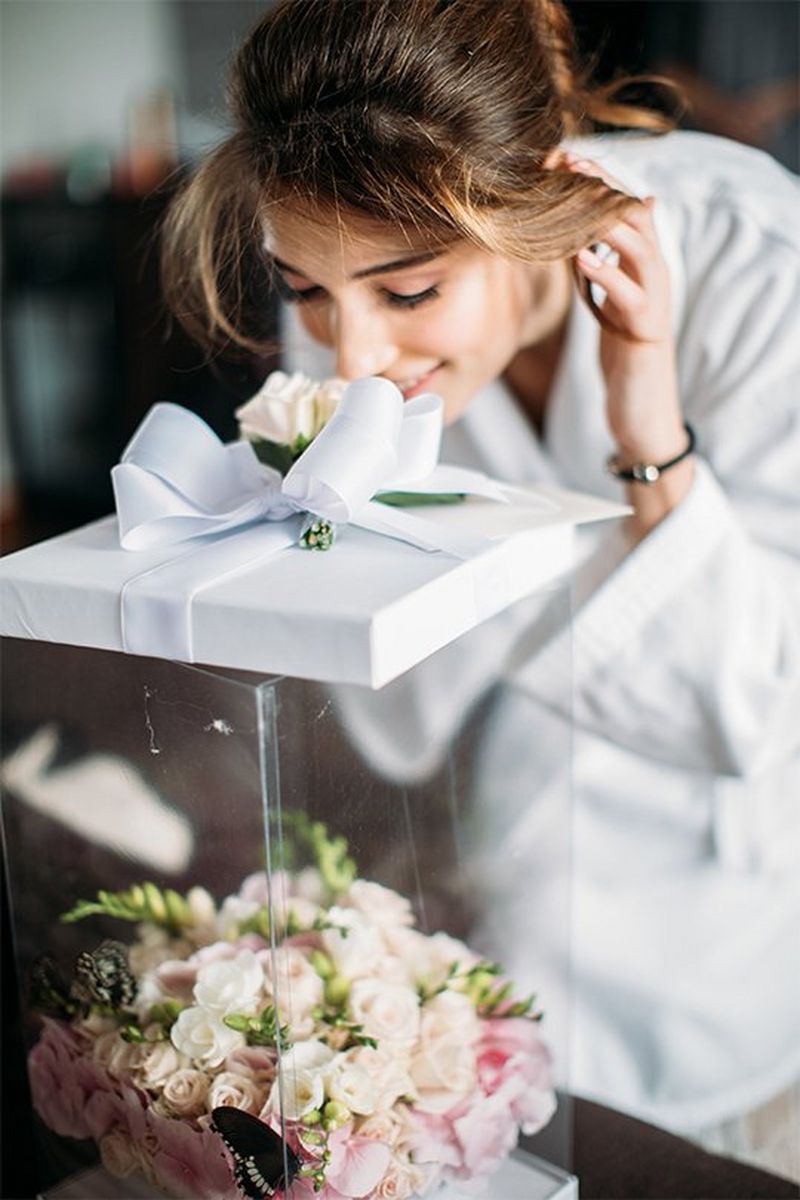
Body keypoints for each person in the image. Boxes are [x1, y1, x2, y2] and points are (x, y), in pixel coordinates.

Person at [161, 0, 800, 1179]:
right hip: (511, 846)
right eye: (303, 290)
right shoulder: (348, 281)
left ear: (538, 197)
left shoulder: (764, 270)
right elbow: (388, 707)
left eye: (408, 297)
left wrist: (644, 426)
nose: (351, 358)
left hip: (721, 874)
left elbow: (754, 704)